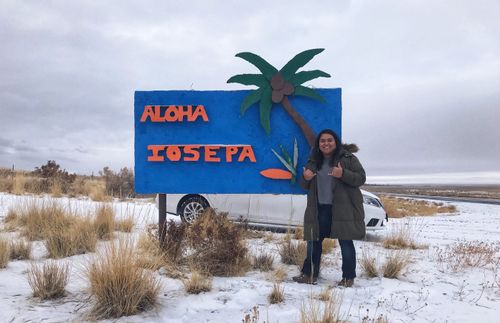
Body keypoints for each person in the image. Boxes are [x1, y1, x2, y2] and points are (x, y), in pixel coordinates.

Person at [292, 129, 366, 287]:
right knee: (313, 241)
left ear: (335, 142)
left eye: (329, 140)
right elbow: (305, 185)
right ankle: (309, 275)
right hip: (319, 208)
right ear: (318, 144)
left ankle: (348, 278)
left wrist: (343, 173)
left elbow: (361, 178)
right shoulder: (313, 161)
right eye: (322, 141)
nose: (326, 143)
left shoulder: (348, 158)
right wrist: (305, 178)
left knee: (345, 242)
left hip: (342, 208)